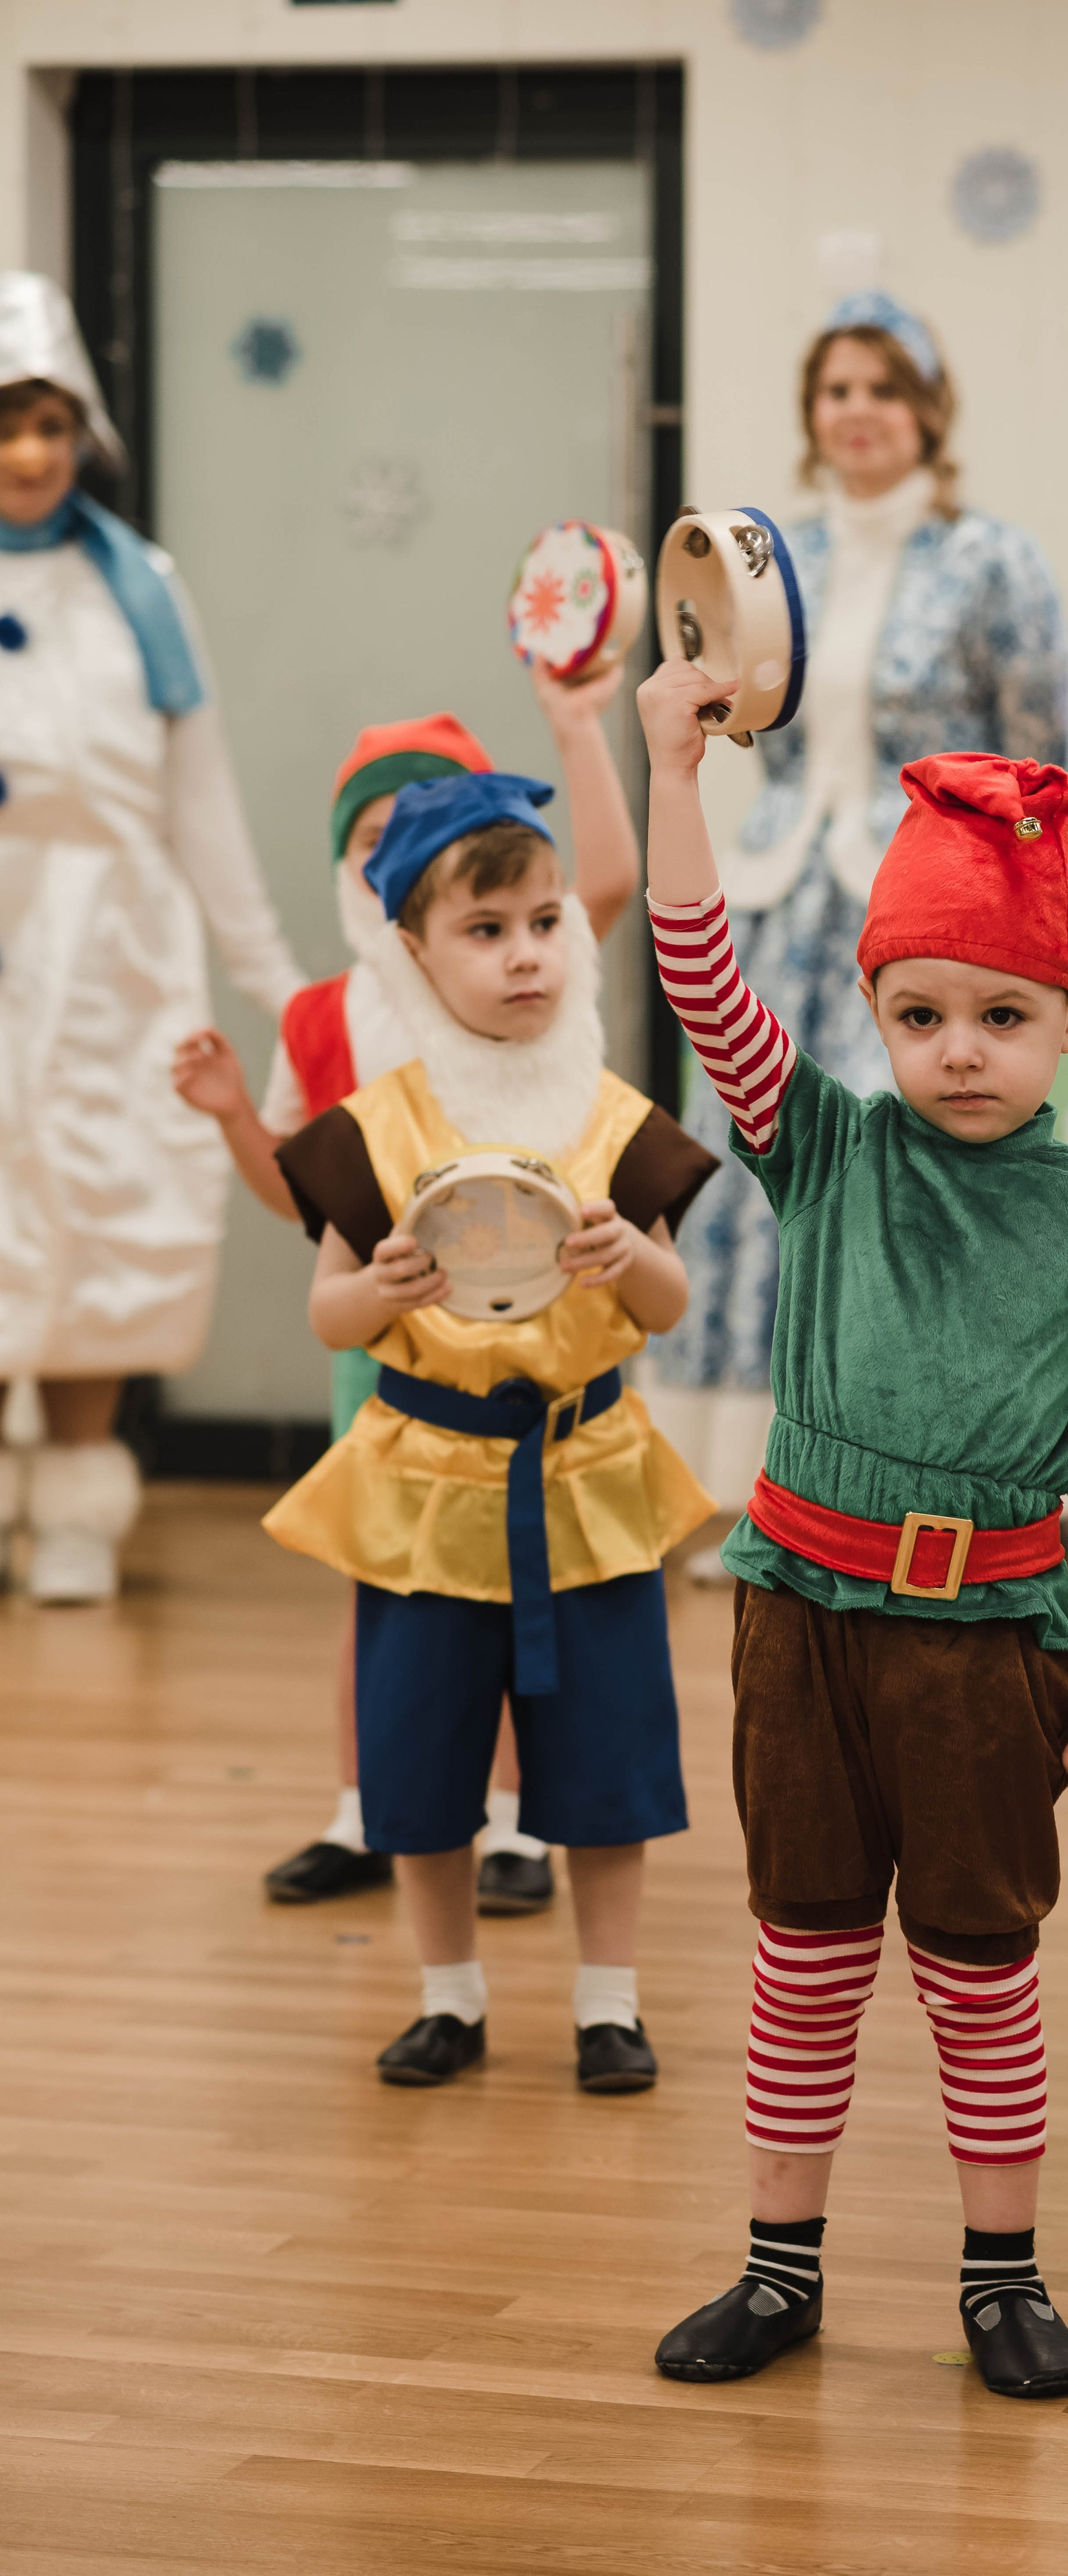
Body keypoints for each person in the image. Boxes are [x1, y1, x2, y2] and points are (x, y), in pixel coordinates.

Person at [639, 656, 1068, 2398]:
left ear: (1066, 1023)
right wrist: (670, 764)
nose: (961, 1049)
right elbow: (698, 972)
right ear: (876, 1011)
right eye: (924, 1011)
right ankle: (778, 2269)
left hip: (987, 1650)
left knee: (978, 1969)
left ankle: (1001, 2278)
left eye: (1003, 1018)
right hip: (800, 1617)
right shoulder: (829, 1146)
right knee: (801, 1952)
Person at [259, 769, 717, 2092]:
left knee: (608, 1757)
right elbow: (329, 1319)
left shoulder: (616, 1118)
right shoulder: (376, 1127)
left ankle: (609, 2001)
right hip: (425, 1488)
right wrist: (373, 1289)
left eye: (544, 923)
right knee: (421, 1757)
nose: (525, 955)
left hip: (589, 1477)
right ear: (413, 950)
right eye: (485, 930)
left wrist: (631, 1253)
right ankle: (448, 1995)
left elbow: (671, 1305)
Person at [175, 668, 642, 1913]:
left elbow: (603, 883)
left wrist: (579, 724)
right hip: (386, 1349)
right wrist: (234, 1118)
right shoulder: (326, 1018)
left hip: (538, 1363)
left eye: (419, 821)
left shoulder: (528, 980)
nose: (394, 846)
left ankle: (509, 1822)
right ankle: (368, 1809)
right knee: (392, 1584)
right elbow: (306, 1202)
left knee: (520, 1581)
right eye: (372, 833)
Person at [651, 289, 1068, 1538]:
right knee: (747, 1167)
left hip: (923, 913)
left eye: (883, 387)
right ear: (809, 413)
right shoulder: (781, 559)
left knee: (883, 1179)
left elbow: (1043, 759)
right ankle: (742, 1488)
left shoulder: (995, 561)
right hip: (784, 901)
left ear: (928, 410)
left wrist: (1021, 921)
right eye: (836, 390)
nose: (858, 413)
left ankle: (874, 1470)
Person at [0, 272, 302, 1601]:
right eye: (6, 423)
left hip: (115, 942)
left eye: (50, 424)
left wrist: (283, 986)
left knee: (103, 1203)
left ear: (85, 434)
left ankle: (76, 1503)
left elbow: (203, 807)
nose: (28, 453)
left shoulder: (142, 588)